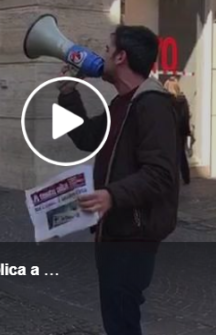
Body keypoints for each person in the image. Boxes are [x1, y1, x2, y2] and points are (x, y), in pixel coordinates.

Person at [57, 25, 179, 335]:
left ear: (122, 57)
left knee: (122, 319)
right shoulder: (122, 104)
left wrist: (112, 195)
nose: (103, 55)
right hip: (114, 230)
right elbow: (86, 137)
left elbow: (161, 174)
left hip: (133, 234)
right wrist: (68, 91)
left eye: (108, 50)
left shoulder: (152, 105)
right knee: (116, 316)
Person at [164, 77, 192, 185]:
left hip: (170, 132)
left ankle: (172, 178)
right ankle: (186, 177)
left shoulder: (167, 101)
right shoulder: (182, 100)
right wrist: (187, 132)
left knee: (170, 156)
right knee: (181, 155)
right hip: (181, 132)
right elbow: (185, 118)